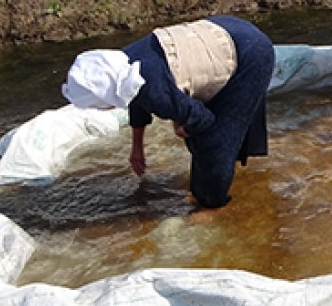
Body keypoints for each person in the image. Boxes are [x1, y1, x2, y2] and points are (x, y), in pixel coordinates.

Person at [61, 15, 275, 210]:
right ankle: (218, 178)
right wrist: (137, 148)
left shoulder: (151, 90)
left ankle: (213, 205)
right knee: (203, 135)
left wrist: (184, 122)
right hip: (227, 27)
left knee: (213, 142)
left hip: (251, 53)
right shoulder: (121, 67)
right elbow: (137, 100)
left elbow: (205, 121)